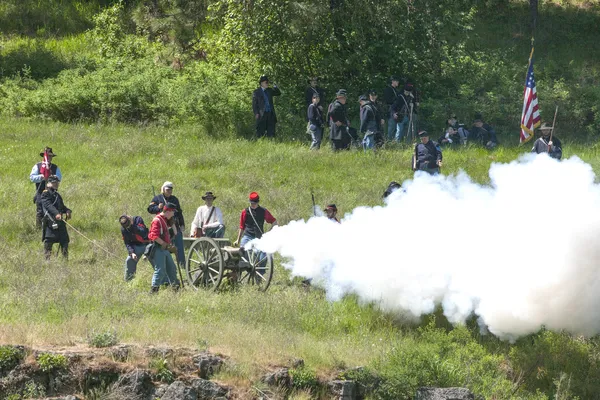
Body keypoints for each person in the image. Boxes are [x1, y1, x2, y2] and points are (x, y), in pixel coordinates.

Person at [148, 181, 185, 268]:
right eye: (167, 190)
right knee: (164, 245)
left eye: (170, 190)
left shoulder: (174, 199)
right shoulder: (157, 198)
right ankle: (165, 265)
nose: (169, 191)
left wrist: (182, 224)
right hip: (162, 226)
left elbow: (179, 212)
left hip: (174, 224)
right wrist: (158, 207)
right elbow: (150, 209)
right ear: (163, 189)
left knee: (179, 245)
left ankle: (182, 265)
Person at [148, 202, 180, 292]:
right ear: (168, 211)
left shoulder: (165, 219)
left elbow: (175, 232)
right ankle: (154, 290)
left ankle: (175, 287)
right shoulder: (157, 220)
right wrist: (166, 245)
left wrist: (172, 222)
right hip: (158, 248)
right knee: (160, 270)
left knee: (172, 268)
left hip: (165, 248)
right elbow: (153, 236)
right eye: (173, 212)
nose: (173, 214)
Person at [40, 175, 71, 260]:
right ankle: (47, 260)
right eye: (54, 182)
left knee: (64, 241)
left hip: (60, 221)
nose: (56, 184)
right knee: (49, 241)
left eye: (57, 182)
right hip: (50, 221)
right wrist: (56, 213)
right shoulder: (45, 194)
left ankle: (65, 260)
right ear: (49, 183)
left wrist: (67, 210)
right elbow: (48, 205)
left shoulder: (57, 195)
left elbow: (61, 206)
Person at [30, 147, 62, 228]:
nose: (49, 158)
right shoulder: (37, 166)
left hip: (52, 193)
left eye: (50, 156)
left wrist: (52, 178)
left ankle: (52, 228)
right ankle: (39, 229)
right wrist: (41, 177)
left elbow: (59, 178)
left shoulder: (55, 167)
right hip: (40, 192)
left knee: (53, 209)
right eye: (47, 156)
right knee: (40, 211)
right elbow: (32, 178)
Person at [120, 215, 149, 281]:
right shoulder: (123, 229)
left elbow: (143, 233)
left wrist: (133, 225)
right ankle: (129, 281)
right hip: (136, 246)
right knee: (129, 261)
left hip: (147, 244)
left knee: (157, 261)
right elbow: (127, 242)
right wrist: (132, 253)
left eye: (128, 225)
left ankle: (164, 280)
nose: (128, 227)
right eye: (126, 226)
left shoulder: (138, 219)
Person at [384, 76, 401, 141]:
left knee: (396, 128)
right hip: (391, 110)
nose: (398, 82)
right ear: (392, 81)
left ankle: (394, 142)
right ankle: (389, 142)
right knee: (391, 127)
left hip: (397, 110)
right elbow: (388, 101)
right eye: (396, 81)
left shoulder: (396, 90)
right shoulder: (388, 89)